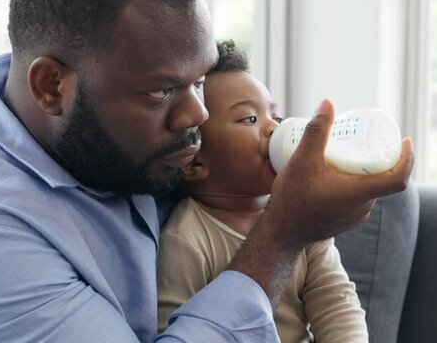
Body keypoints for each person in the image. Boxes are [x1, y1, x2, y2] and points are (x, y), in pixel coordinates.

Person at [0, 0, 413, 342]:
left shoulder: (108, 142)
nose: (197, 112)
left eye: (198, 79)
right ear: (51, 86)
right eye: (162, 90)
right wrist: (283, 234)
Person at [157, 40, 368, 342]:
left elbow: (336, 302)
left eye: (275, 118)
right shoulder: (186, 239)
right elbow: (175, 330)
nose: (273, 129)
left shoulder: (305, 216)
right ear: (194, 161)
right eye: (250, 119)